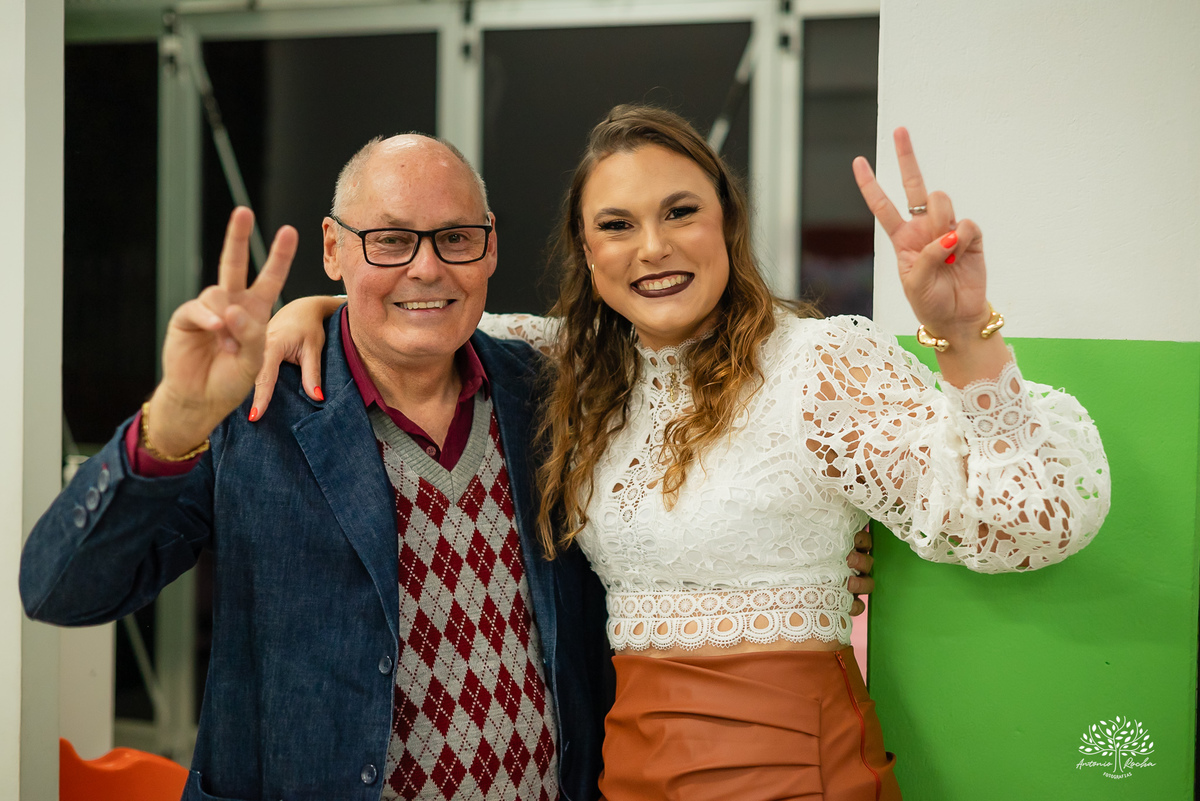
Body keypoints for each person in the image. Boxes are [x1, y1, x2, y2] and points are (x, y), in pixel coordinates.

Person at [260, 106, 1110, 800]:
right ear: (588, 253)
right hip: (630, 769)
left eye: (680, 212)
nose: (652, 248)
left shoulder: (819, 367)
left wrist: (961, 332)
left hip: (791, 769)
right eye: (617, 225)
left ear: (727, 223)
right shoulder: (575, 371)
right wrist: (321, 310)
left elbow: (1032, 516)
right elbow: (428, 312)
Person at [19, 135, 616, 801]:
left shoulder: (544, 394)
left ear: (489, 245)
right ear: (334, 249)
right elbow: (60, 590)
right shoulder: (256, 411)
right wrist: (175, 420)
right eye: (390, 239)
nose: (426, 268)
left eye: (454, 237)